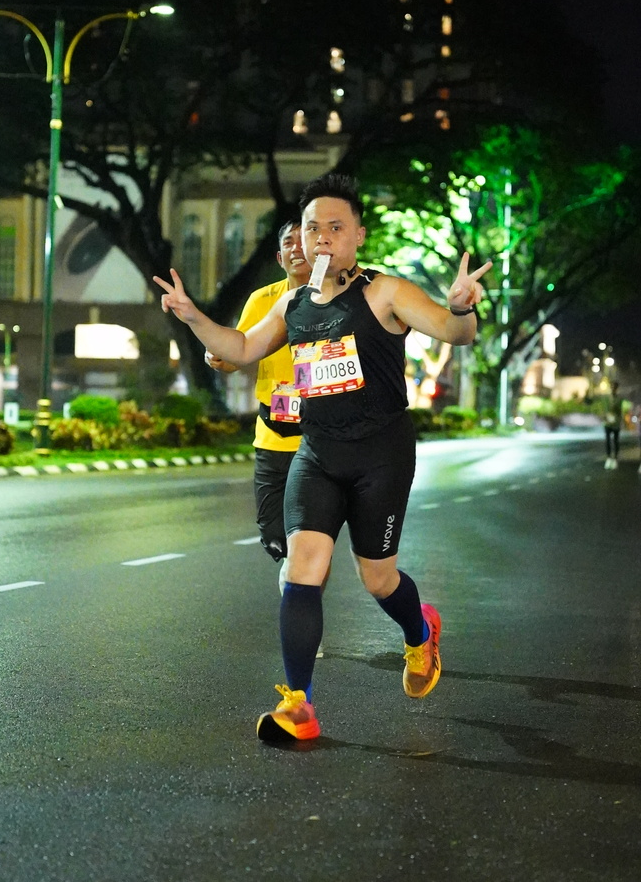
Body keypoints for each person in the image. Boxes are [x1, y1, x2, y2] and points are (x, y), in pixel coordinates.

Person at [153, 173, 491, 744]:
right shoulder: (293, 303)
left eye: (336, 227)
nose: (323, 238)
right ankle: (299, 706)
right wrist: (191, 316)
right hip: (318, 454)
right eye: (313, 229)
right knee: (301, 569)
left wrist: (461, 309)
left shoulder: (385, 292)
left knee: (377, 578)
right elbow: (239, 348)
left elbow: (454, 333)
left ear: (359, 235)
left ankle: (419, 630)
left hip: (381, 455)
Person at [205, 219, 310, 570]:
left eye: (304, 239)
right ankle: (299, 582)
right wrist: (219, 357)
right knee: (275, 537)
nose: (297, 248)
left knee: (310, 538)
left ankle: (302, 591)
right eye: (289, 242)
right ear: (280, 258)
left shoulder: (340, 298)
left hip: (322, 437)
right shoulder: (262, 299)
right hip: (273, 433)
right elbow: (239, 352)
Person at [602, 381, 623, 470]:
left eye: (614, 387)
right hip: (607, 422)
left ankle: (615, 458)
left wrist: (619, 420)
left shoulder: (619, 399)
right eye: (612, 387)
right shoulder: (606, 399)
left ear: (616, 388)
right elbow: (604, 409)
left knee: (615, 441)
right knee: (607, 440)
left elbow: (620, 411)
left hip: (616, 422)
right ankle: (608, 457)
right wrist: (604, 416)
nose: (613, 389)